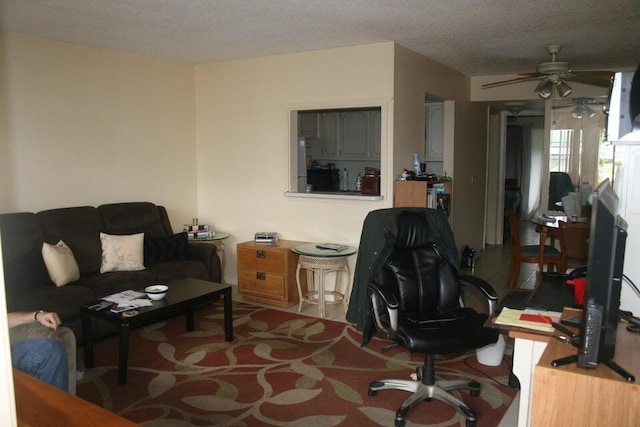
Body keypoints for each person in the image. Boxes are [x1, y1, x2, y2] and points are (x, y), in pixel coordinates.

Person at [8, 310, 73, 392]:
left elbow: (3, 319)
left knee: (51, 350)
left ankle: (54, 403)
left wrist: (37, 315)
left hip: (5, 352)